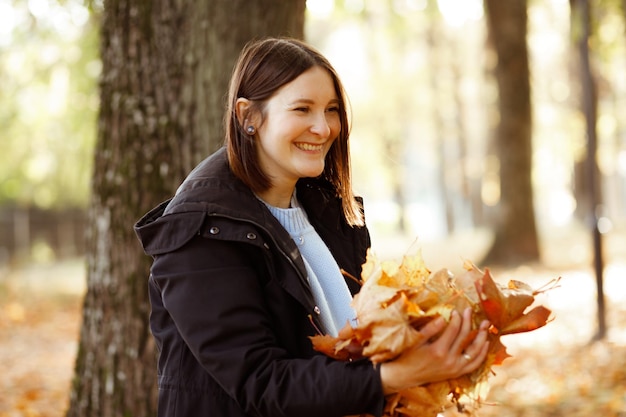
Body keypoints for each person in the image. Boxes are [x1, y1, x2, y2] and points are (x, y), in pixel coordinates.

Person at [134, 37, 490, 417]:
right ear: (248, 117)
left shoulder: (329, 210)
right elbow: (262, 383)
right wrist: (393, 376)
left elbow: (350, 343)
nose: (323, 128)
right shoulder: (204, 231)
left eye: (332, 110)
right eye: (302, 109)